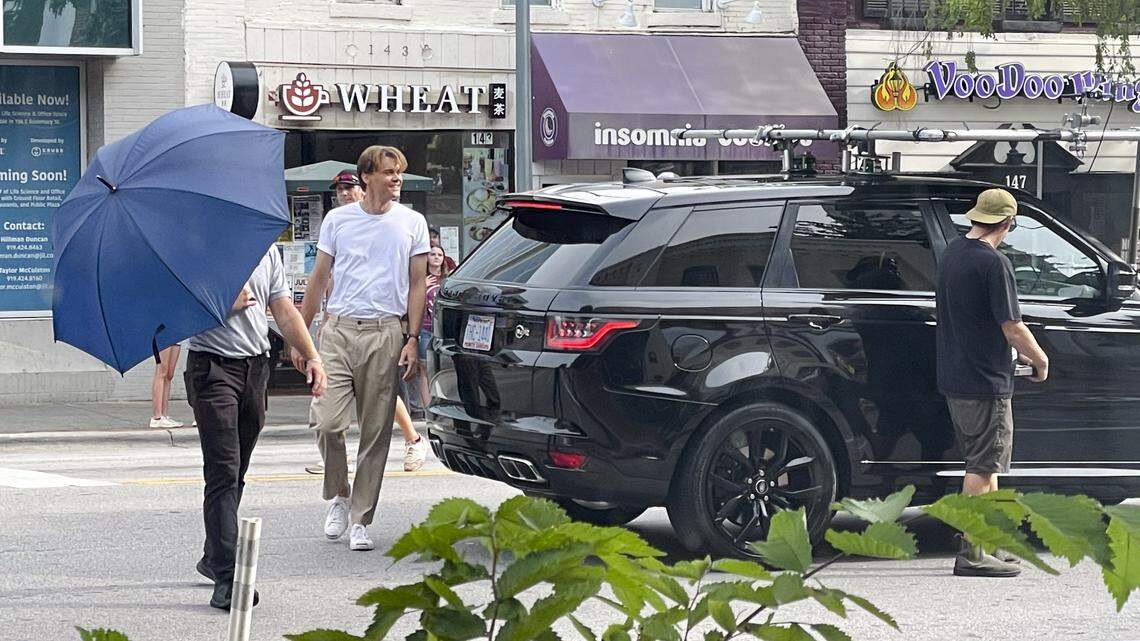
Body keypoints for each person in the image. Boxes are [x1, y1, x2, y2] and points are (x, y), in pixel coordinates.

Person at [299, 146, 429, 552]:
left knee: (376, 431)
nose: (397, 180)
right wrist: (300, 335)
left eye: (399, 173)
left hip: (387, 332)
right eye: (389, 173)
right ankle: (340, 494)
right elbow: (319, 277)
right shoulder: (338, 220)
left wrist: (411, 338)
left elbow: (418, 284)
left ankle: (361, 517)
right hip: (337, 330)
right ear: (367, 176)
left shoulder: (412, 222)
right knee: (327, 423)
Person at [186, 246, 327, 610]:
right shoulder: (198, 248)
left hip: (256, 369)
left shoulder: (267, 251)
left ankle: (213, 554)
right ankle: (228, 578)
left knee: (237, 474)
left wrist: (312, 356)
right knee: (223, 470)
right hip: (212, 368)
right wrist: (222, 303)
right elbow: (175, 311)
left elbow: (283, 310)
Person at [936, 188, 1049, 578]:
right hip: (985, 381)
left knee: (988, 463)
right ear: (1009, 223)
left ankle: (992, 541)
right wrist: (1040, 358)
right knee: (982, 468)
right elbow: (1012, 326)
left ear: (976, 216)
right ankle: (971, 552)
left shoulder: (953, 253)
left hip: (956, 375)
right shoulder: (993, 263)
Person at [416, 246, 449, 416]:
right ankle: (428, 409)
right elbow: (411, 302)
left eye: (440, 255)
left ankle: (442, 407)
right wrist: (422, 286)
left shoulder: (447, 279)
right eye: (433, 254)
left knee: (443, 369)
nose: (436, 257)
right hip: (425, 328)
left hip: (443, 331)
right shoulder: (420, 278)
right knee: (424, 369)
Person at [149, 342, 184, 428]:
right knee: (161, 371)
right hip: (162, 333)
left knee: (169, 374)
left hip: (176, 335)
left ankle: (164, 416)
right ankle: (156, 417)